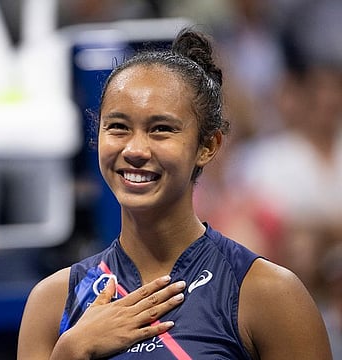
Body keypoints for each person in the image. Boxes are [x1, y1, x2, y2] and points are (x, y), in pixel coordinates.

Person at [17, 27, 332, 359]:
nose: (135, 149)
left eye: (161, 129)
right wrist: (71, 349)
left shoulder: (268, 293)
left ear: (208, 146)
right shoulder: (52, 302)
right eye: (118, 127)